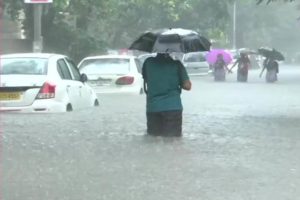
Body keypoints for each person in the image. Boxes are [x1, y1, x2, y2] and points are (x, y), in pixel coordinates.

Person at [142, 53, 192, 137]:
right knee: (172, 141)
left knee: (153, 140)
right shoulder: (176, 64)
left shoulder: (148, 62)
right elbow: (187, 86)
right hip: (173, 108)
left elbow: (146, 78)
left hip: (153, 108)